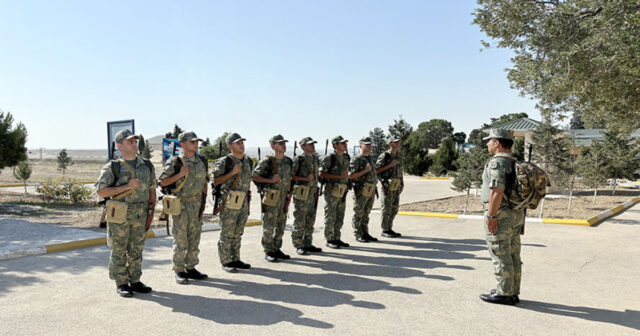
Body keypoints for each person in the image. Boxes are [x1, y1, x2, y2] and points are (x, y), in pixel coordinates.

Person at [96, 129, 156, 297]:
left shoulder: (147, 165)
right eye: (130, 141)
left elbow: (152, 189)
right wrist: (126, 187)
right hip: (120, 213)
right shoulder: (113, 167)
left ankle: (135, 280)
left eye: (135, 141)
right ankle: (121, 282)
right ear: (120, 145)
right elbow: (101, 192)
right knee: (119, 249)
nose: (134, 144)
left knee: (137, 248)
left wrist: (152, 210)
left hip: (141, 212)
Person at [479, 129, 524, 306]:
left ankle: (504, 293)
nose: (487, 144)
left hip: (501, 214)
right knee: (513, 254)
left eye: (489, 141)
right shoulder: (514, 161)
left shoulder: (497, 162)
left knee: (500, 253)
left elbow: (496, 191)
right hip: (516, 213)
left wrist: (491, 215)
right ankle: (512, 290)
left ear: (497, 143)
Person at [159, 131, 209, 284]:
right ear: (183, 144)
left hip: (196, 204)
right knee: (181, 239)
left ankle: (191, 268)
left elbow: (205, 182)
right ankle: (179, 269)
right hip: (181, 205)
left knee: (194, 238)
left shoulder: (201, 161)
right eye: (192, 142)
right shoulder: (176, 162)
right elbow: (163, 182)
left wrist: (204, 201)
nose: (196, 144)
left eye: (196, 141)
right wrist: (180, 174)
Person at [212, 133, 253, 273]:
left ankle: (236, 258)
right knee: (227, 232)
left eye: (242, 142)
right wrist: (232, 173)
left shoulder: (248, 161)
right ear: (230, 146)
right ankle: (226, 260)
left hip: (243, 201)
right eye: (238, 143)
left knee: (238, 232)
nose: (241, 145)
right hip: (229, 202)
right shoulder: (225, 161)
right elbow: (215, 181)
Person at [252, 134, 293, 262]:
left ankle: (276, 248)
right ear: (273, 146)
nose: (283, 145)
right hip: (271, 197)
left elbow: (291, 178)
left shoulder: (288, 161)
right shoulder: (267, 161)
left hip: (283, 197)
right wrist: (270, 180)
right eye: (280, 143)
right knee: (269, 226)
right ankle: (268, 250)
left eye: (284, 143)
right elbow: (254, 176)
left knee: (281, 225)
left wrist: (289, 192)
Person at [290, 137, 323, 255]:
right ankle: (298, 244)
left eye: (313, 144)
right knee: (300, 219)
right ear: (303, 147)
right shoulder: (298, 160)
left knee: (310, 219)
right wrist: (304, 178)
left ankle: (307, 243)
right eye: (310, 144)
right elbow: (290, 176)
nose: (313, 146)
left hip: (312, 193)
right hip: (302, 194)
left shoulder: (314, 159)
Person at [319, 135, 351, 249]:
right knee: (331, 215)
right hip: (331, 190)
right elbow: (321, 174)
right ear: (335, 145)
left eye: (345, 143)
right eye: (342, 143)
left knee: (339, 215)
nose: (345, 144)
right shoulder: (330, 157)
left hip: (342, 190)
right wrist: (337, 176)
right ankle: (330, 239)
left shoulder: (346, 157)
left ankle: (337, 237)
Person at [349, 137, 379, 243]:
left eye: (370, 144)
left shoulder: (370, 158)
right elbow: (351, 176)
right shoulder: (356, 159)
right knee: (359, 213)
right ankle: (358, 234)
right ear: (361, 146)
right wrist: (365, 170)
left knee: (366, 213)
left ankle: (365, 233)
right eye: (367, 144)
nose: (369, 146)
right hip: (361, 190)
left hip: (370, 189)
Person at [375, 137, 404, 237]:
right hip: (386, 185)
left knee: (394, 208)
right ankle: (385, 229)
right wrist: (390, 165)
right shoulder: (385, 156)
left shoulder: (399, 155)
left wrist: (402, 182)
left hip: (396, 184)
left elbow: (400, 170)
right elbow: (377, 170)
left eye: (398, 142)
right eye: (395, 142)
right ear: (389, 144)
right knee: (386, 208)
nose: (397, 143)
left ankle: (389, 227)